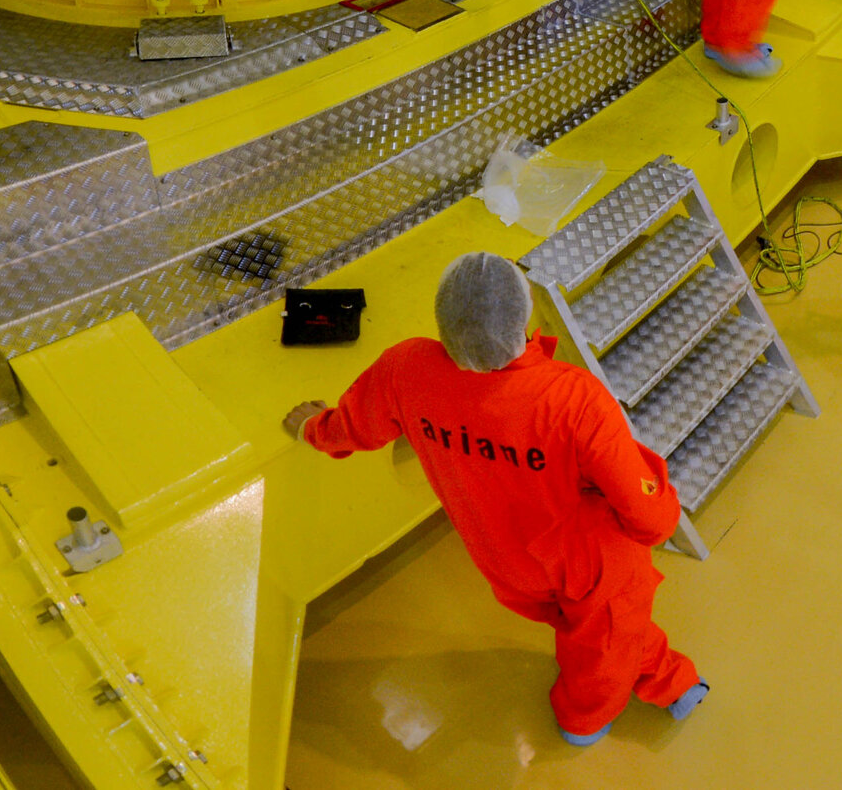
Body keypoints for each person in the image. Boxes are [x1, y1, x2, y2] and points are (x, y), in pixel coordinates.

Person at [285, 252, 707, 748]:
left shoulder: (407, 369)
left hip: (503, 556)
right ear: (522, 320)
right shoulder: (571, 399)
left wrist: (311, 428)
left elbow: (354, 427)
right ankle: (584, 722)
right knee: (602, 639)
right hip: (584, 561)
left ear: (443, 321)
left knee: (603, 628)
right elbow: (652, 520)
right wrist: (660, 491)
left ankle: (669, 679)